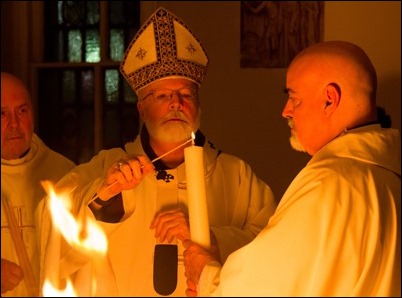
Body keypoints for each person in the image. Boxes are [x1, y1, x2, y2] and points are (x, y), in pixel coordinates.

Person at [48, 7, 277, 297]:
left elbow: (273, 247)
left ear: (198, 104)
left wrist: (208, 236)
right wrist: (105, 197)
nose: (176, 104)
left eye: (185, 94)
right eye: (162, 96)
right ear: (141, 108)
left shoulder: (236, 175)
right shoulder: (106, 167)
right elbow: (56, 234)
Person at [183, 40, 401, 296]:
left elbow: (261, 291)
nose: (285, 111)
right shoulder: (389, 175)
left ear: (329, 100)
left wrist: (205, 275)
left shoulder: (329, 184)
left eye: (294, 98)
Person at [1, 72, 76, 297]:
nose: (14, 124)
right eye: (2, 113)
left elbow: (81, 253)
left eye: (22, 111)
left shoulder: (65, 174)